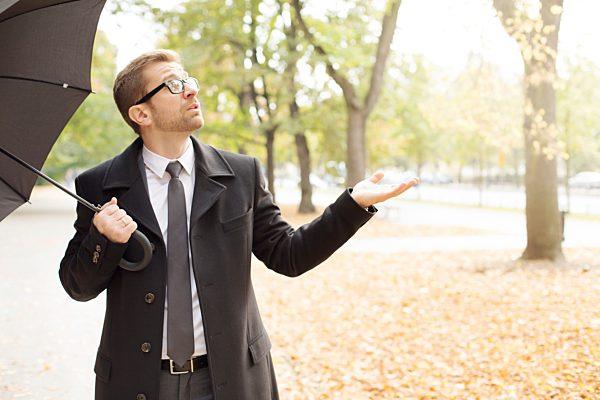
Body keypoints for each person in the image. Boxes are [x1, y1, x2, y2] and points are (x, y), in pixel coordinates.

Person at [59, 49, 418, 400]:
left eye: (189, 79)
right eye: (173, 85)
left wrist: (352, 205)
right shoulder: (100, 186)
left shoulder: (240, 175)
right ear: (141, 113)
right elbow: (78, 286)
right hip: (138, 379)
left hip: (228, 378)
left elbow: (289, 255)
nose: (191, 89)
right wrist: (102, 238)